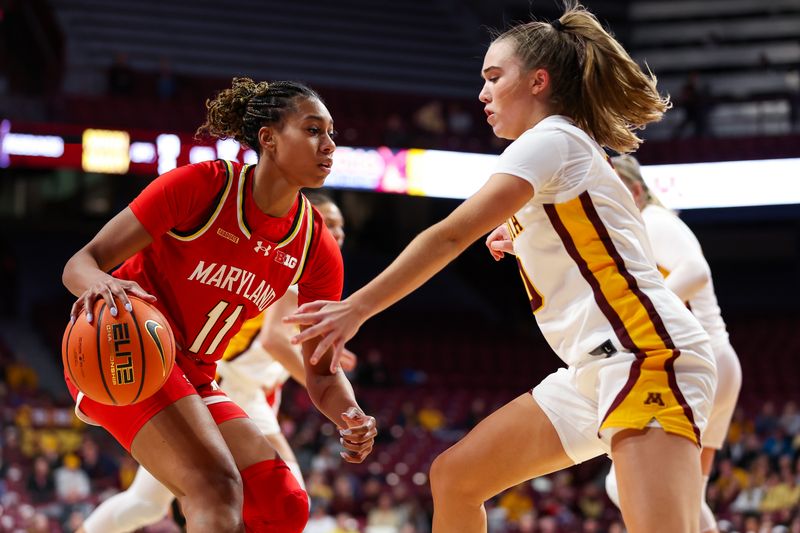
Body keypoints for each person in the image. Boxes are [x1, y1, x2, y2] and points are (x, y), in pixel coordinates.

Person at [287, 5, 716, 532]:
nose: (483, 94)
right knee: (456, 478)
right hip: (594, 368)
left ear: (538, 81)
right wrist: (522, 233)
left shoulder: (551, 139)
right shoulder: (562, 151)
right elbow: (599, 233)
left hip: (645, 356)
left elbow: (449, 234)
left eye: (494, 77)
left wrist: (356, 308)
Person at [63, 77, 376, 533]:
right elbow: (82, 261)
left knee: (284, 505)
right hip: (127, 349)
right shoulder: (205, 185)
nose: (329, 145)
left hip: (197, 374)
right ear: (268, 138)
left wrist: (349, 412)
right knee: (215, 488)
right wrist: (98, 284)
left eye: (331, 134)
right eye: (313, 130)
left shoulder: (316, 247)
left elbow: (322, 371)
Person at [77, 192, 357, 533]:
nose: (335, 231)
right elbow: (273, 339)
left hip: (239, 386)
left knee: (148, 504)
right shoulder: (291, 263)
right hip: (232, 386)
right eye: (327, 222)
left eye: (339, 224)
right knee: (284, 498)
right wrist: (316, 360)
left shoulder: (308, 268)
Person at [603, 154, 742, 533]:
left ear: (634, 191)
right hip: (716, 360)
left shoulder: (653, 221)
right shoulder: (646, 227)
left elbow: (696, 272)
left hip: (699, 358)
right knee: (690, 495)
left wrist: (644, 312)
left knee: (622, 482)